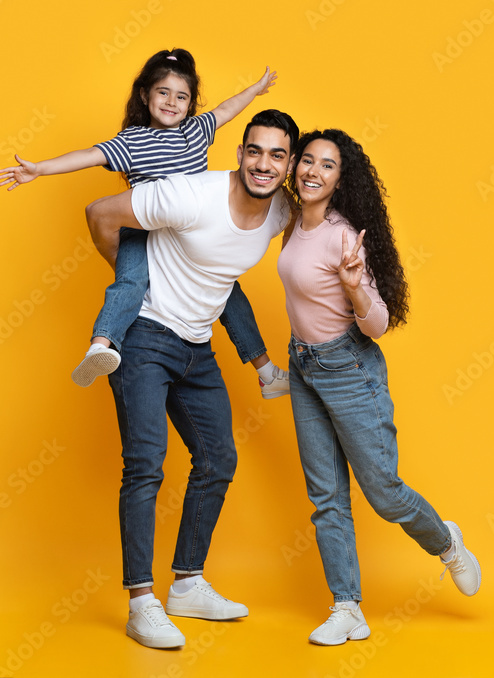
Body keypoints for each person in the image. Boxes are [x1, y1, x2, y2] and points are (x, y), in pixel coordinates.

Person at [85, 110, 299, 649]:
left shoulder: (281, 211)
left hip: (197, 348)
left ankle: (187, 583)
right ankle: (141, 602)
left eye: (277, 155)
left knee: (217, 459)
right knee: (146, 465)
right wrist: (134, 279)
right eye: (255, 150)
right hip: (145, 339)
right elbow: (100, 213)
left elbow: (316, 233)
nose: (264, 164)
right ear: (240, 153)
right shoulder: (189, 195)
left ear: (290, 164)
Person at [277, 129, 481, 646]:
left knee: (384, 495)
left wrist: (352, 284)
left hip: (349, 369)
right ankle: (347, 608)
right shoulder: (292, 220)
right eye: (307, 161)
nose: (313, 172)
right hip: (303, 367)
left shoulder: (344, 237)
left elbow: (378, 325)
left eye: (327, 166)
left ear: (341, 179)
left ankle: (447, 543)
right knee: (326, 497)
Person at [0, 49, 290, 397]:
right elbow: (89, 155)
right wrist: (40, 168)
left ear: (191, 103)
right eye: (163, 92)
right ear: (145, 95)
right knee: (131, 281)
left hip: (191, 235)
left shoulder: (196, 130)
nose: (171, 102)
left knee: (229, 290)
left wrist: (255, 90)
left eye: (181, 96)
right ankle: (102, 345)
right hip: (144, 231)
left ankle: (266, 373)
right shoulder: (133, 142)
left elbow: (226, 109)